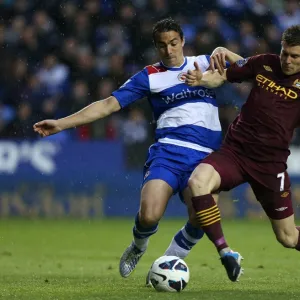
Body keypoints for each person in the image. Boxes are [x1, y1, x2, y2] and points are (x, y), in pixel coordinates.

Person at [33, 18, 243, 282]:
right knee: (149, 215)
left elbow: (254, 70)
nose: (168, 50)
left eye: (173, 43)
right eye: (162, 46)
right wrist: (62, 124)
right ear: (156, 47)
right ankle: (138, 246)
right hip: (168, 154)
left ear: (183, 42)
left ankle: (169, 260)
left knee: (202, 216)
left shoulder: (204, 63)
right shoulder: (149, 76)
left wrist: (227, 52)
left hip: (206, 159)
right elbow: (108, 104)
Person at [184, 24, 300, 282]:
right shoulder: (265, 64)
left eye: (295, 56)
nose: (287, 60)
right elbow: (224, 74)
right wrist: (202, 79)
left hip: (271, 165)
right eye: (285, 53)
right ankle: (226, 252)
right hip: (235, 152)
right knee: (197, 182)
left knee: (288, 237)